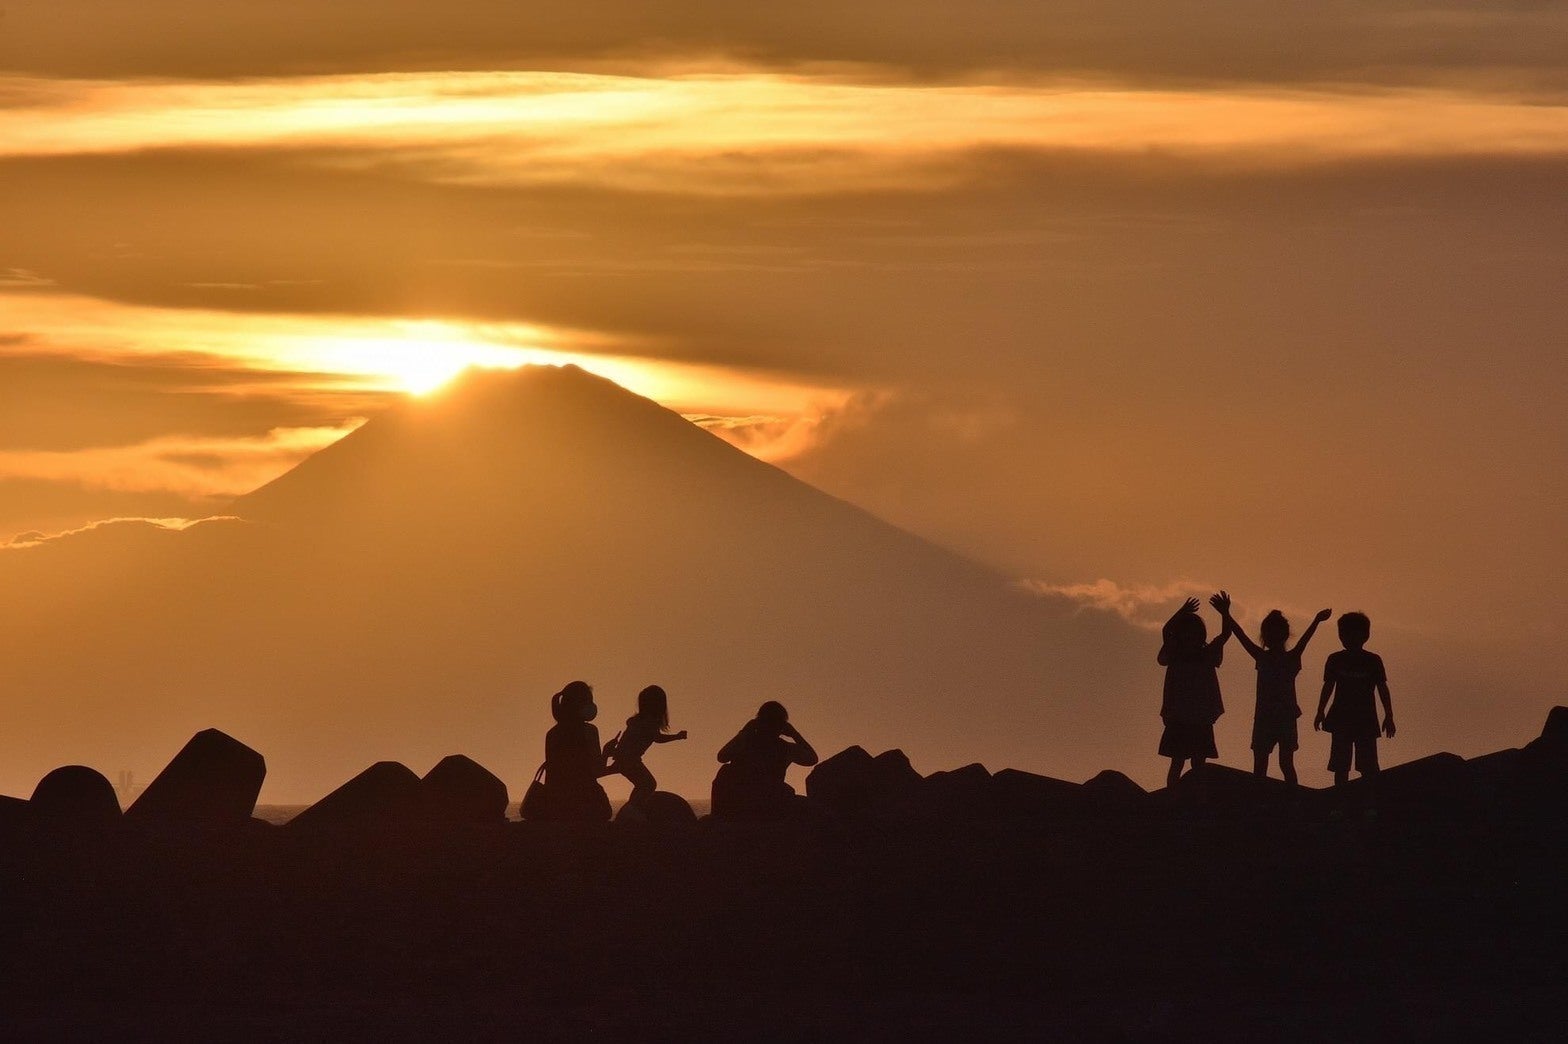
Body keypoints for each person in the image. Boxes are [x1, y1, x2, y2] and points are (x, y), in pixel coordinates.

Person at [1217, 601, 1332, 784]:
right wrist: (1226, 613)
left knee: (1284, 764)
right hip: (1267, 717)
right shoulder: (1264, 657)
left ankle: (1290, 801)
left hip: (1283, 717)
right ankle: (1263, 803)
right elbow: (1241, 636)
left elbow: (1304, 640)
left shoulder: (1286, 657)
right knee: (1263, 766)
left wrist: (1317, 621)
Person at [1157, 593, 1233, 788]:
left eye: (1193, 632)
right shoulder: (1176, 653)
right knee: (1178, 761)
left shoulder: (1205, 654)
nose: (1190, 636)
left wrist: (1225, 613)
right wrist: (1181, 612)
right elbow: (1166, 631)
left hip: (1199, 717)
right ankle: (1173, 796)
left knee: (1198, 763)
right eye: (1186, 632)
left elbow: (1225, 635)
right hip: (1180, 717)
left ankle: (1197, 799)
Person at [1314, 612, 1395, 786]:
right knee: (1341, 766)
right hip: (1341, 718)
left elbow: (1382, 688)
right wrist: (1320, 710)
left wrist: (1389, 715)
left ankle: (1369, 804)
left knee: (1368, 767)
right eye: (1343, 634)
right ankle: (1340, 805)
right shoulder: (1335, 659)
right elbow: (1328, 686)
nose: (1346, 637)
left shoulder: (1373, 661)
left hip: (1364, 719)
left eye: (1351, 633)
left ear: (1365, 635)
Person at [712, 701, 818, 820]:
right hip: (767, 801)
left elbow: (722, 757)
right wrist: (795, 734)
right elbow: (812, 758)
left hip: (743, 801)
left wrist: (744, 731)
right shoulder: (786, 748)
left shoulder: (744, 743)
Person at [525, 680, 612, 822]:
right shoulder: (589, 731)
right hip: (586, 802)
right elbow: (596, 771)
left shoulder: (552, 734)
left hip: (555, 804)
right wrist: (607, 752)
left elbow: (552, 775)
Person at [602, 684, 688, 808]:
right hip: (630, 760)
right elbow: (657, 738)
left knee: (644, 784)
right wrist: (677, 736)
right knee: (648, 784)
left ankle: (633, 807)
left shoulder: (639, 721)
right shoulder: (648, 722)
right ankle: (633, 808)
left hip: (626, 758)